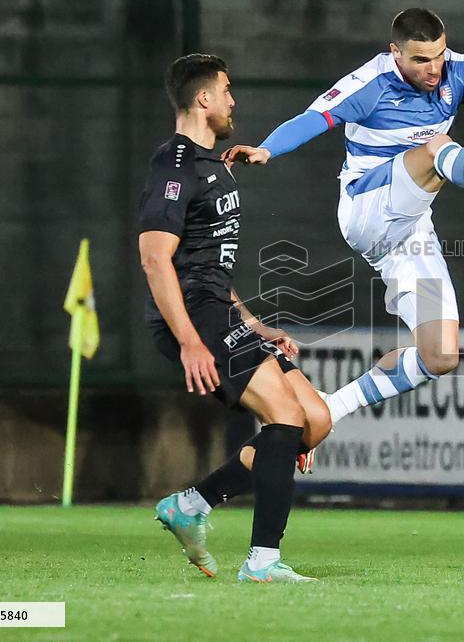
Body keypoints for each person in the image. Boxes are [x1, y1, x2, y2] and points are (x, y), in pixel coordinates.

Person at [223, 7, 464, 426]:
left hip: (411, 235)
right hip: (367, 209)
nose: (433, 68)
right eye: (420, 59)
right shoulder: (369, 85)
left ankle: (331, 407)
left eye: (438, 55)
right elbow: (314, 119)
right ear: (395, 52)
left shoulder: (462, 71)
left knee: (441, 354)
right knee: (437, 147)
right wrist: (267, 149)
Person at [138, 53, 331, 583]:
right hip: (195, 319)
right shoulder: (173, 167)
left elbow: (210, 262)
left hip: (219, 311)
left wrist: (254, 322)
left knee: (313, 420)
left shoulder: (215, 166)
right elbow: (156, 258)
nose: (232, 100)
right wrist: (190, 342)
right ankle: (263, 563)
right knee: (285, 421)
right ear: (203, 99)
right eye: (226, 90)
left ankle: (194, 504)